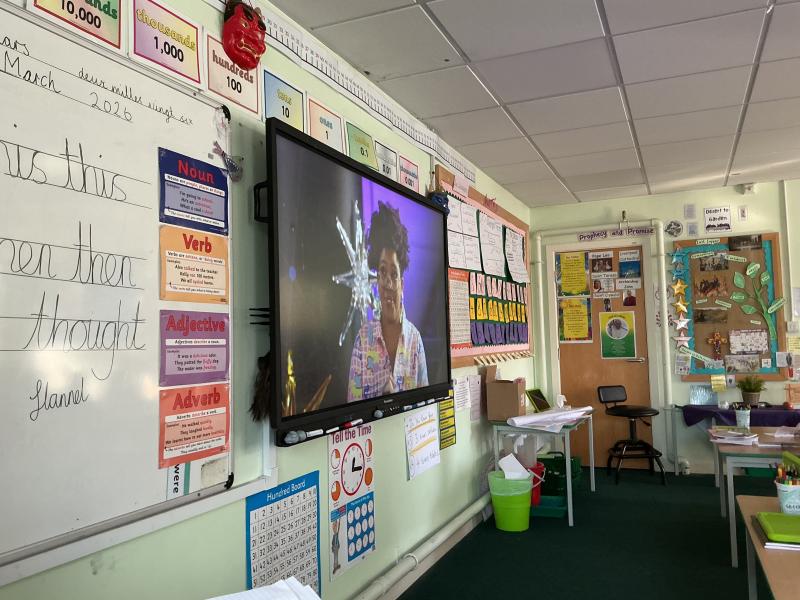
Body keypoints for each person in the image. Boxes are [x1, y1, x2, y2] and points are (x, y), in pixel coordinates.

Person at [348, 202, 428, 402]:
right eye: (382, 272)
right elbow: (351, 405)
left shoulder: (415, 341)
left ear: (402, 284)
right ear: (377, 280)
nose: (388, 283)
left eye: (394, 274)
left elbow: (426, 406)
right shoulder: (363, 340)